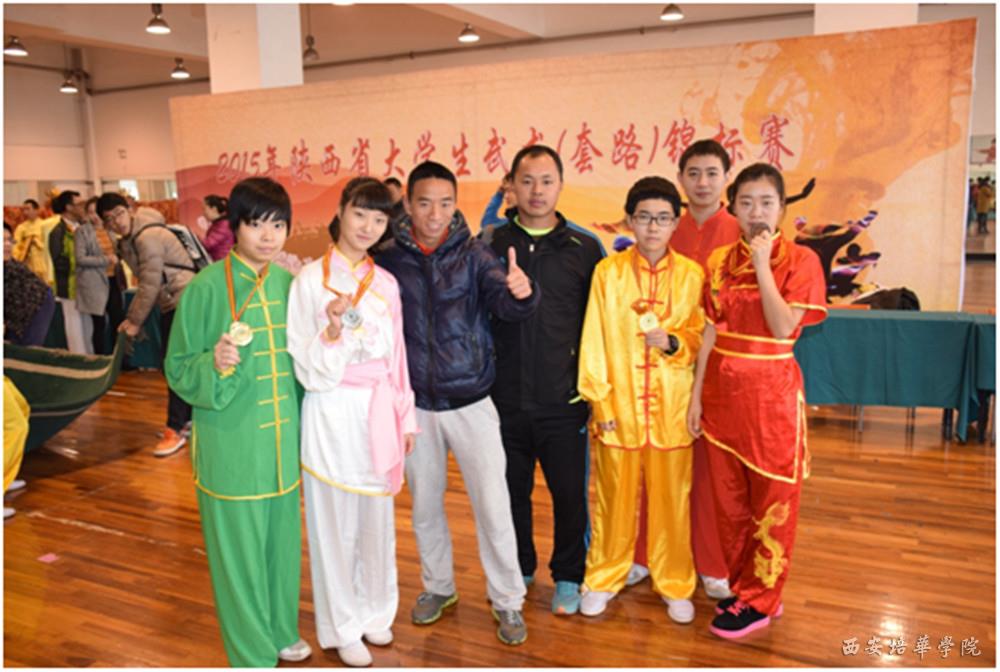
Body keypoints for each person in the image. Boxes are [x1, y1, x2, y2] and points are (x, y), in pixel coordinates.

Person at [375, 160, 538, 646]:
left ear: (455, 204)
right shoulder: (389, 259)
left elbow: (506, 305)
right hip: (416, 407)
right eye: (425, 203)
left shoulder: (475, 255)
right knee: (425, 507)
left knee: (493, 506)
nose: (435, 214)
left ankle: (507, 599)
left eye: (445, 203)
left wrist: (522, 294)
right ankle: (438, 587)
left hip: (471, 400)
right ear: (408, 204)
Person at [164, 177, 311, 667]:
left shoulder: (288, 285)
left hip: (282, 449)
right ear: (235, 226)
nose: (269, 237)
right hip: (232, 448)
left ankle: (280, 629)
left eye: (278, 225)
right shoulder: (206, 288)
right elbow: (178, 367)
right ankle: (251, 653)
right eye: (256, 225)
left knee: (281, 550)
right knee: (238, 559)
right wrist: (214, 362)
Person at [687, 163, 826, 639]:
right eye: (745, 203)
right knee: (730, 505)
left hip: (771, 399)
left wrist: (764, 265)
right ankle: (747, 588)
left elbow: (784, 326)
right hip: (722, 396)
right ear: (733, 208)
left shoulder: (801, 260)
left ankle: (762, 600)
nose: (756, 213)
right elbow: (710, 332)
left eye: (766, 203)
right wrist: (696, 397)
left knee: (772, 501)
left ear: (782, 208)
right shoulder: (719, 261)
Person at [287, 178, 418, 667]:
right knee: (334, 527)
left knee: (376, 521)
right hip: (331, 408)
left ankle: (375, 611)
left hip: (379, 410)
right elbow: (303, 361)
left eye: (379, 219)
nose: (367, 226)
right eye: (360, 214)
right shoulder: (309, 281)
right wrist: (332, 331)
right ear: (340, 211)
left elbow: (398, 356)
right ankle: (341, 626)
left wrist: (405, 416)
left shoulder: (386, 284)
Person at [577, 176, 703, 623]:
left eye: (663, 218)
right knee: (613, 499)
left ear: (675, 223)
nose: (653, 227)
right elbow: (594, 339)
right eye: (645, 217)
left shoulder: (691, 275)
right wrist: (602, 404)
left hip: (671, 408)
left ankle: (675, 582)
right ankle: (604, 576)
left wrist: (673, 342)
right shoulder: (608, 274)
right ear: (630, 220)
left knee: (673, 502)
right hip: (621, 409)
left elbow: (698, 335)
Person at [486, 145, 605, 616]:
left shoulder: (585, 247)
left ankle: (569, 575)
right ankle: (519, 568)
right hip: (504, 399)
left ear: (560, 185)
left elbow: (600, 322)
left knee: (569, 496)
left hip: (564, 400)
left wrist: (592, 389)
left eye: (546, 180)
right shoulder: (490, 244)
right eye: (527, 180)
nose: (537, 191)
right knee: (510, 493)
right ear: (512, 186)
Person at [628, 139, 739, 598]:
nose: (703, 182)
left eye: (712, 173)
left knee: (709, 473)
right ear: (680, 179)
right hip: (659, 365)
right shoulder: (668, 225)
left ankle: (711, 563)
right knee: (653, 465)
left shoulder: (738, 230)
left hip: (717, 366)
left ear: (726, 178)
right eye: (693, 173)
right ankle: (642, 554)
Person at [97, 193, 195, 457]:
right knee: (176, 364)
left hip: (184, 301)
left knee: (174, 364)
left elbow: (150, 283)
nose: (116, 222)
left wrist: (134, 320)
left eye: (119, 214)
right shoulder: (130, 239)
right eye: (109, 220)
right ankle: (186, 420)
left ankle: (176, 428)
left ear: (130, 209)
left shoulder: (147, 236)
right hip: (173, 301)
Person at [48, 190, 90, 353]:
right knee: (74, 326)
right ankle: (79, 358)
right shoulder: (58, 232)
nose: (83, 208)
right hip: (69, 285)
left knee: (88, 325)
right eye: (80, 204)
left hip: (87, 285)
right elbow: (59, 261)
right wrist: (82, 263)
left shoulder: (84, 227)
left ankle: (90, 357)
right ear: (69, 207)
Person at [4, 223, 56, 346]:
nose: (7, 245)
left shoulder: (11, 268)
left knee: (25, 349)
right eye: (2, 241)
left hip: (38, 304)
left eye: (9, 240)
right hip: (15, 311)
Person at [74, 201, 111, 355]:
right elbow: (80, 258)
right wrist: (105, 260)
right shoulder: (82, 232)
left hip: (114, 280)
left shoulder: (111, 229)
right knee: (99, 324)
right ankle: (100, 357)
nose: (94, 216)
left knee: (117, 320)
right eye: (90, 212)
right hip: (94, 282)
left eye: (97, 212)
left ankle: (120, 359)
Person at [12, 198, 56, 284]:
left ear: (37, 210)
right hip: (28, 264)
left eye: (28, 209)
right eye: (24, 210)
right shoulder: (21, 228)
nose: (25, 212)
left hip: (44, 264)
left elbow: (50, 244)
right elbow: (15, 245)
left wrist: (36, 242)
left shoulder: (45, 225)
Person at [202, 194, 235, 261]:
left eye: (204, 209)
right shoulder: (219, 224)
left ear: (214, 209)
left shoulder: (224, 225)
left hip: (223, 264)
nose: (203, 213)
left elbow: (207, 244)